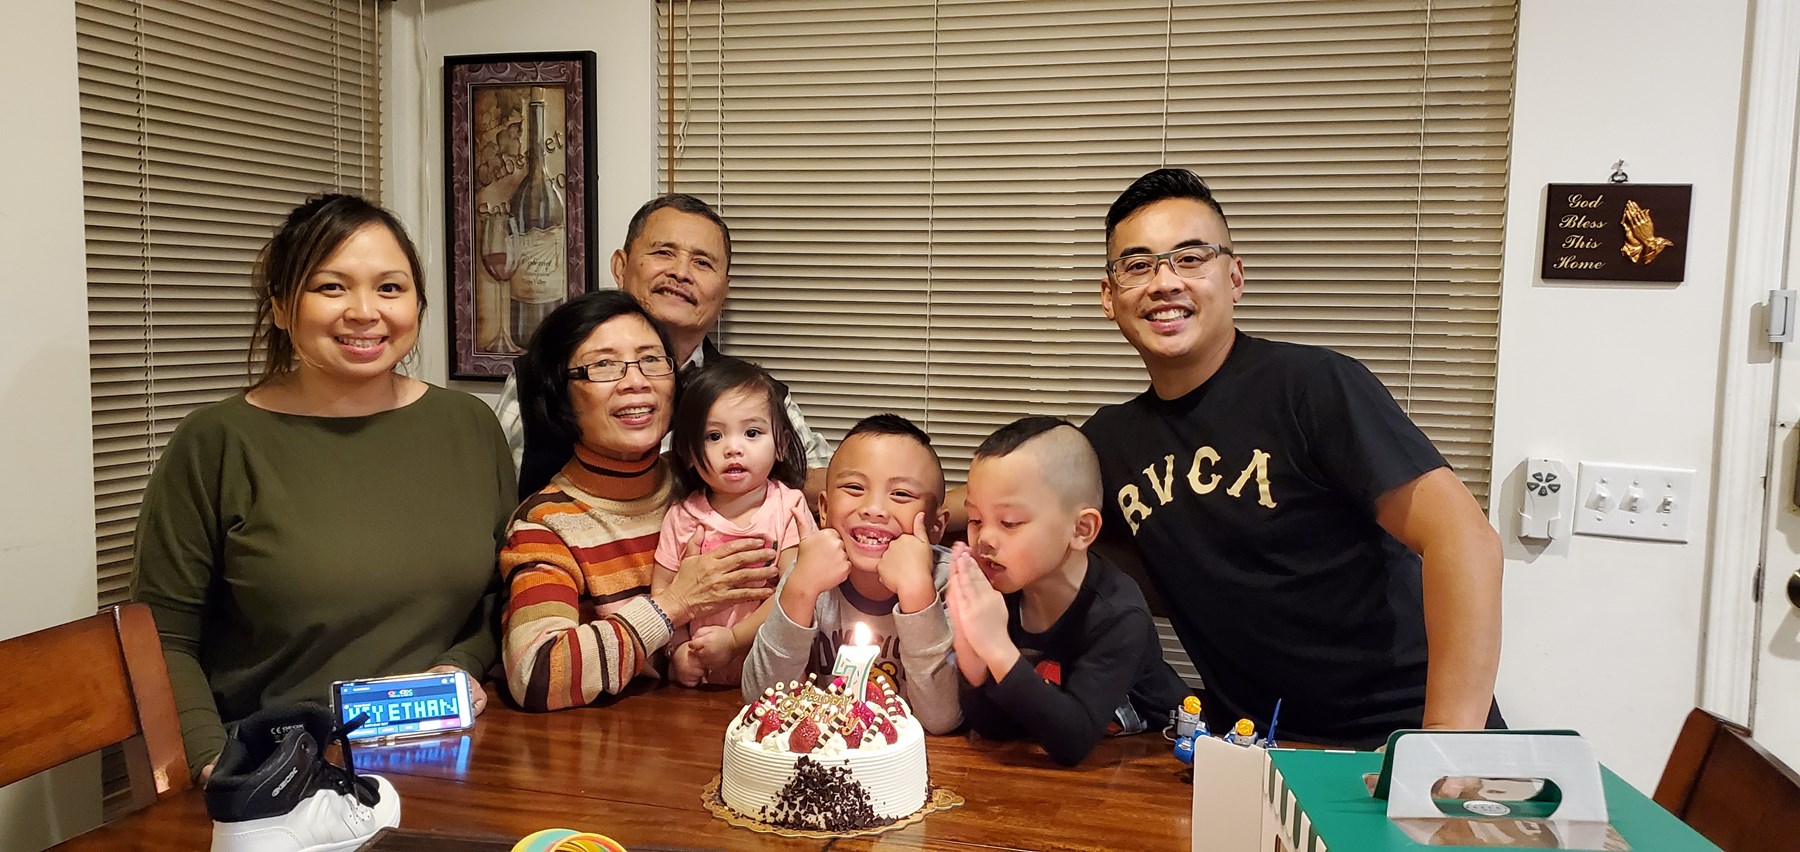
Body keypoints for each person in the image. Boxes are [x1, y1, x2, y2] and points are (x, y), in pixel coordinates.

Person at [1080, 168, 1503, 748]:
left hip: (1401, 737)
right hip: (1257, 748)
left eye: (1191, 258)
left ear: (1234, 278)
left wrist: (1447, 745)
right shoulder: (1111, 441)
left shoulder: (1313, 387)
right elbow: (1010, 500)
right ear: (1109, 296)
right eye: (1137, 265)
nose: (1165, 282)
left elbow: (1464, 539)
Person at [132, 194, 515, 781]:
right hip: (280, 766)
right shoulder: (217, 442)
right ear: (281, 307)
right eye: (331, 287)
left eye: (390, 288)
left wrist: (462, 663)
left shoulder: (469, 425)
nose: (364, 312)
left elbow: (502, 588)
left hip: (450, 753)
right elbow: (163, 638)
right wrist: (216, 765)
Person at [499, 290, 780, 710]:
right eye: (604, 365)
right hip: (621, 739)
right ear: (561, 394)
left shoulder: (705, 487)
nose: (636, 381)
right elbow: (538, 673)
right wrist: (674, 603)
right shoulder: (546, 524)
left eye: (651, 360)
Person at [497, 194, 830, 498]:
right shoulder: (541, 376)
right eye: (664, 253)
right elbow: (495, 508)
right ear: (621, 267)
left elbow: (827, 483)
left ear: (723, 292)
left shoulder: (753, 392)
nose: (681, 273)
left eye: (703, 262)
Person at [947, 416, 1190, 766]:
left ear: (1081, 529)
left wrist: (996, 648)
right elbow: (995, 728)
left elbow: (1072, 741)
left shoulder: (1119, 615)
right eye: (975, 520)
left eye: (1009, 522)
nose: (984, 538)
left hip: (1153, 762)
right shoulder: (1002, 593)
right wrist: (972, 655)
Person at [740, 414, 962, 735]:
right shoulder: (809, 573)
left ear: (936, 526)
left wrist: (918, 596)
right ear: (824, 509)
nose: (874, 508)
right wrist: (800, 590)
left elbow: (941, 718)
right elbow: (760, 700)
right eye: (855, 487)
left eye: (901, 494)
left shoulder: (950, 583)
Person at [653, 358, 818, 687]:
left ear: (782, 445)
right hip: (701, 685)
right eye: (714, 436)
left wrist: (734, 640)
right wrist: (677, 650)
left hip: (775, 686)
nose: (733, 448)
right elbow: (663, 593)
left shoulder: (789, 508)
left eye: (752, 433)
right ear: (688, 452)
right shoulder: (683, 516)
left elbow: (794, 593)